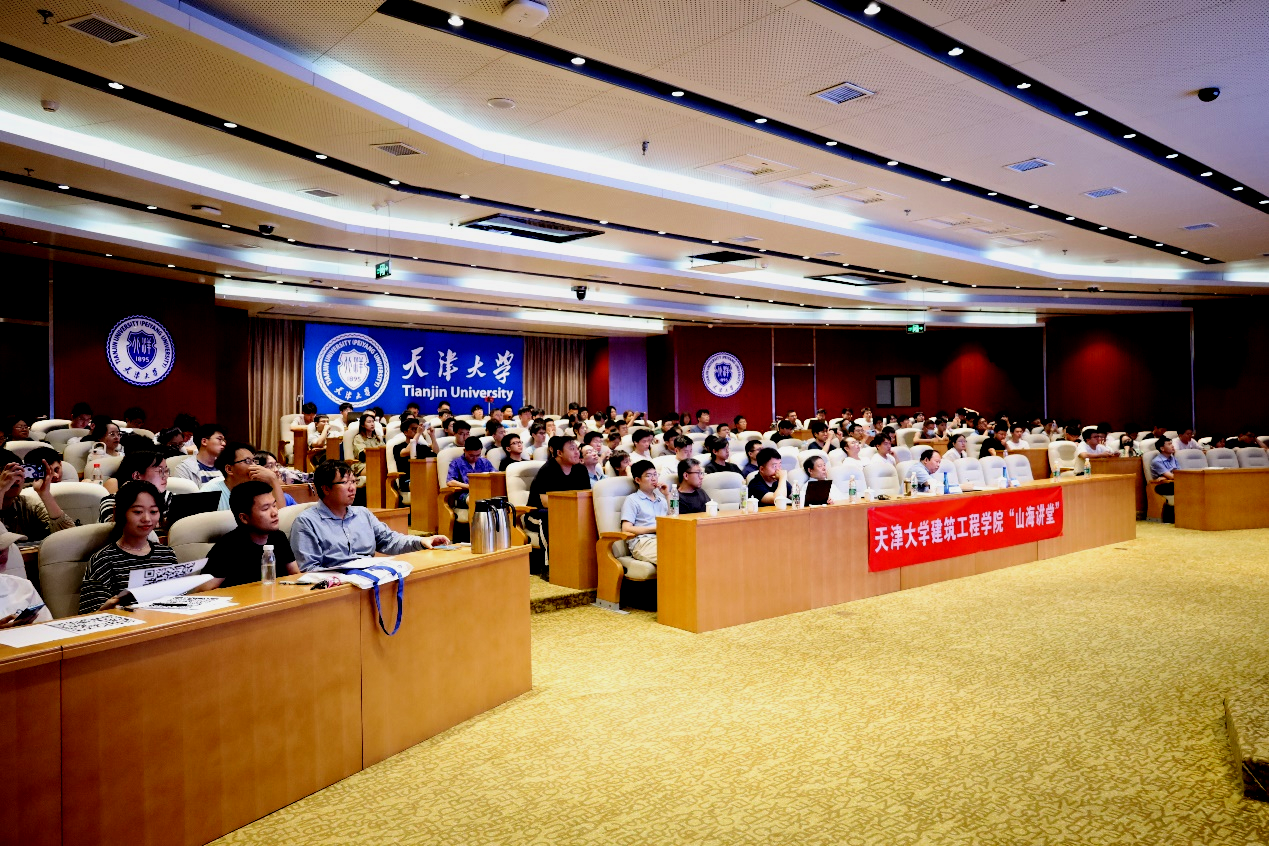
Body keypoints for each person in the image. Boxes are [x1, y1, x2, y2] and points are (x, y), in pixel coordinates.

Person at [291, 461, 449, 570]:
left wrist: (421, 541)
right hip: (335, 589)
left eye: (354, 481)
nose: (353, 488)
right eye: (345, 483)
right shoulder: (306, 522)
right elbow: (309, 569)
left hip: (369, 579)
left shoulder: (363, 514)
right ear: (326, 488)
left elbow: (390, 540)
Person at [78, 481, 178, 613]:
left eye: (153, 511)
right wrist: (109, 608)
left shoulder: (167, 554)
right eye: (138, 512)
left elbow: (178, 602)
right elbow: (90, 616)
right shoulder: (103, 560)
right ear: (118, 512)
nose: (147, 518)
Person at [198, 480, 298, 590]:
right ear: (244, 518)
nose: (274, 513)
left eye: (274, 505)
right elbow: (203, 590)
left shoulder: (279, 537)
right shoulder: (227, 547)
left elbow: (295, 576)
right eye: (265, 509)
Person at [523, 436, 590, 573]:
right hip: (536, 514)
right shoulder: (548, 470)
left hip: (569, 512)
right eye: (572, 449)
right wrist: (571, 510)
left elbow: (586, 497)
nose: (577, 452)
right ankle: (548, 565)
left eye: (577, 449)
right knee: (548, 516)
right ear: (559, 453)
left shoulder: (581, 470)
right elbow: (545, 502)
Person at [0, 452, 77, 542]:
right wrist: (1, 490)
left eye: (19, 473)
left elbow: (70, 538)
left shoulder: (30, 505)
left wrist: (45, 494)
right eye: (7, 475)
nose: (15, 480)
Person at [100, 451, 173, 522]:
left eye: (166, 470)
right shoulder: (110, 501)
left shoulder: (168, 497)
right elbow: (114, 526)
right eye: (160, 471)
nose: (165, 476)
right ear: (137, 476)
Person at [621, 460, 670, 566]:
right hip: (643, 542)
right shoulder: (632, 500)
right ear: (638, 480)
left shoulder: (662, 500)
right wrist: (655, 528)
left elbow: (674, 518)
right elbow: (626, 528)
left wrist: (667, 495)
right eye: (648, 475)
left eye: (655, 474)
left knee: (688, 549)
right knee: (672, 555)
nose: (654, 478)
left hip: (663, 538)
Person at [446, 437, 495, 511]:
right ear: (464, 450)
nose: (475, 458)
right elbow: (450, 481)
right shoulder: (456, 463)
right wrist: (469, 486)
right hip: (465, 494)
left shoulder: (485, 462)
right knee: (477, 500)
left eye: (478, 455)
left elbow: (495, 474)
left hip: (486, 491)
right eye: (471, 455)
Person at [350, 412, 383, 485]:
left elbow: (384, 450)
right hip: (363, 465)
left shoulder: (377, 438)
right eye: (369, 422)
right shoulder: (358, 438)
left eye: (373, 421)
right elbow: (362, 456)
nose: (372, 424)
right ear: (362, 425)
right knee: (379, 469)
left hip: (378, 463)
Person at [1149, 438, 1178, 523]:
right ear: (1162, 448)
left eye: (1172, 443)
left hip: (1172, 482)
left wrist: (1168, 476)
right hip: (1161, 486)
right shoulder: (1157, 461)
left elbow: (1180, 474)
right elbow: (1172, 476)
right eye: (1169, 444)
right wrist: (1170, 477)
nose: (1172, 446)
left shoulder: (1173, 458)